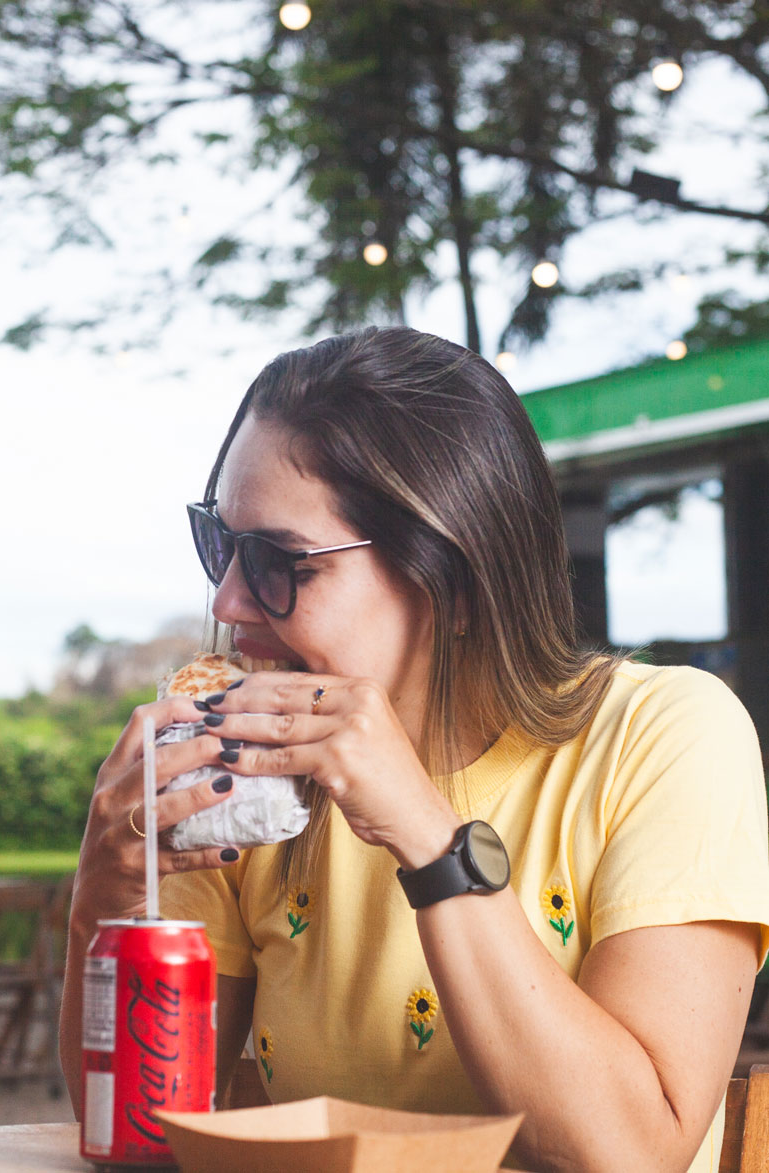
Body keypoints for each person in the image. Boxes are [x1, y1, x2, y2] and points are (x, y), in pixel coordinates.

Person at [60, 326, 769, 1173]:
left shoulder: (666, 735)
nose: (230, 600)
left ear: (457, 581)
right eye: (221, 544)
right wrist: (106, 885)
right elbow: (141, 1142)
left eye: (278, 561)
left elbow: (629, 1152)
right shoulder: (243, 779)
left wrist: (430, 837)